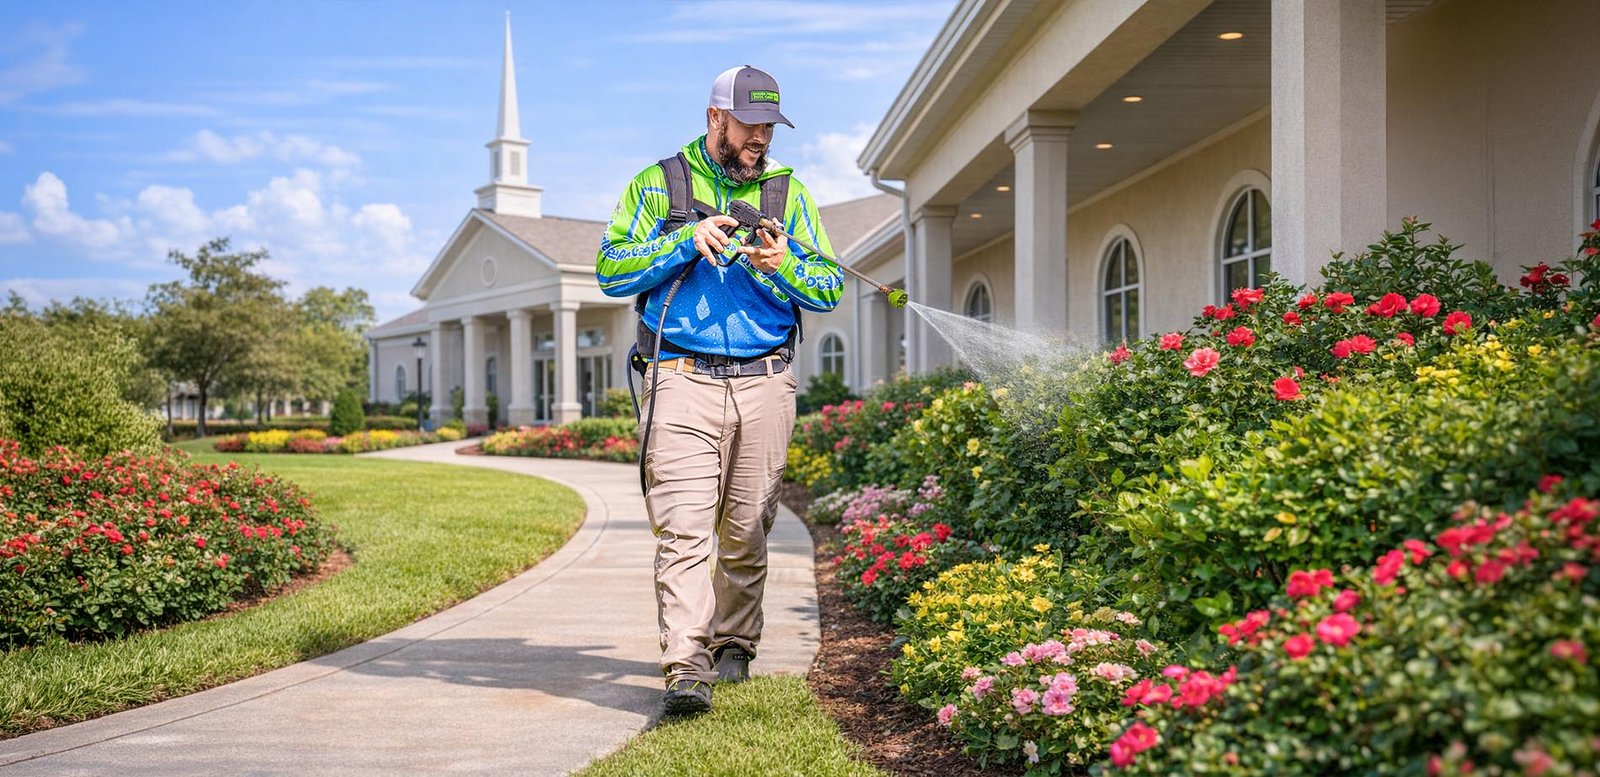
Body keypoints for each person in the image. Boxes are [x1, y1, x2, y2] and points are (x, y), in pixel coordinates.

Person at [595, 65, 844, 716]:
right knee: (684, 532)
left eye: (769, 127)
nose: (761, 138)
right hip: (679, 378)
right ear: (716, 119)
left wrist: (783, 262)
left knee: (744, 529)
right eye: (750, 125)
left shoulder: (789, 193)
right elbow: (610, 270)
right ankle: (687, 665)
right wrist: (684, 242)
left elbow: (830, 285)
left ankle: (734, 643)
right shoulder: (659, 185)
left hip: (766, 382)